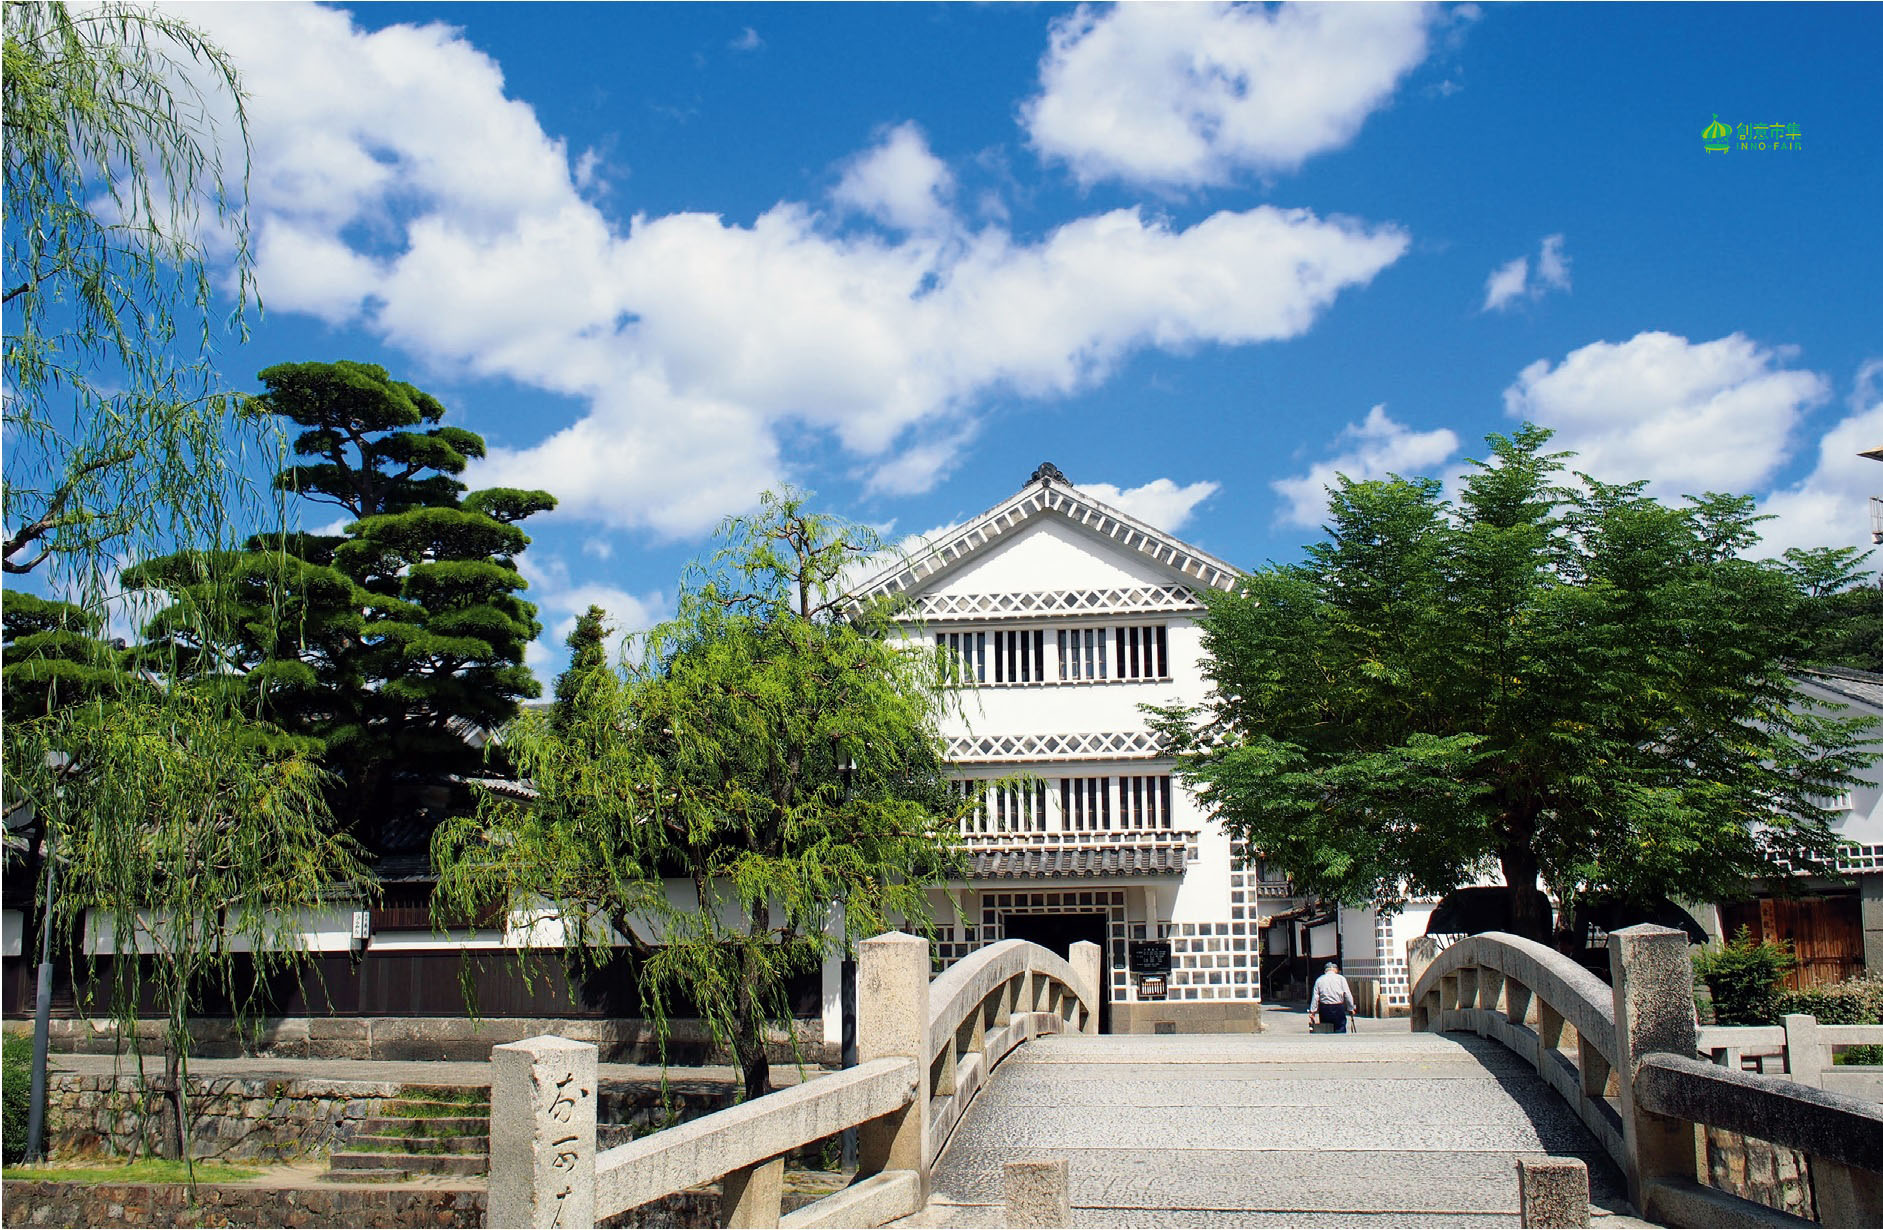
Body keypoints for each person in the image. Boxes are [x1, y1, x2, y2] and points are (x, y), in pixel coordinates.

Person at [1310, 961, 1357, 1033]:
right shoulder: (1341, 979)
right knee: (1340, 1028)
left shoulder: (1319, 980)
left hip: (1324, 1007)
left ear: (1325, 971)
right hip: (1338, 1007)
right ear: (1336, 970)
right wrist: (1351, 1008)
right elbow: (1347, 994)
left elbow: (1315, 997)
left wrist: (1313, 1012)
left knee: (1326, 1029)